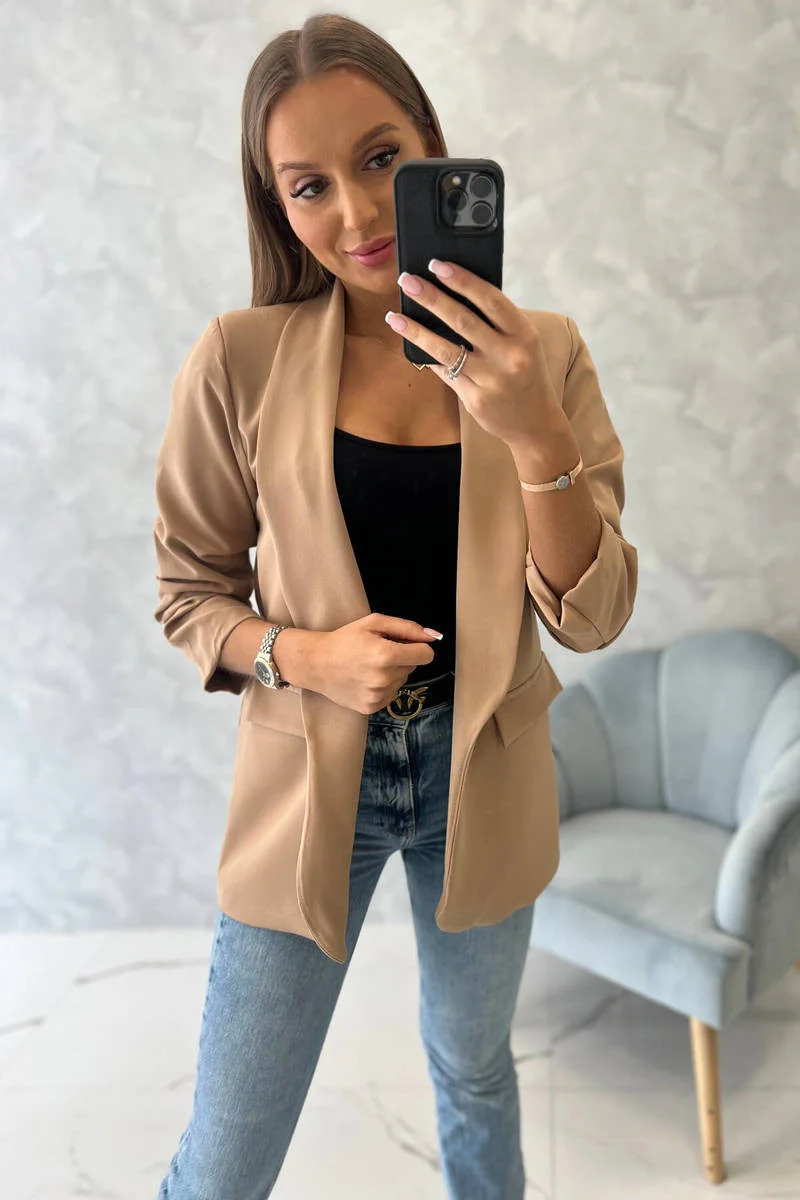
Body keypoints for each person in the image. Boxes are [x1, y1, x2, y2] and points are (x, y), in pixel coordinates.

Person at [153, 13, 638, 1199]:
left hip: (487, 771)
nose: (359, 214)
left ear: (429, 148)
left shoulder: (543, 354)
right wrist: (304, 654)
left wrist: (533, 435)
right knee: (225, 1158)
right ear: (276, 206)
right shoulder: (240, 358)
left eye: (379, 160)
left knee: (473, 1073)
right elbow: (189, 594)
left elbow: (591, 617)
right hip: (309, 781)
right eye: (308, 185)